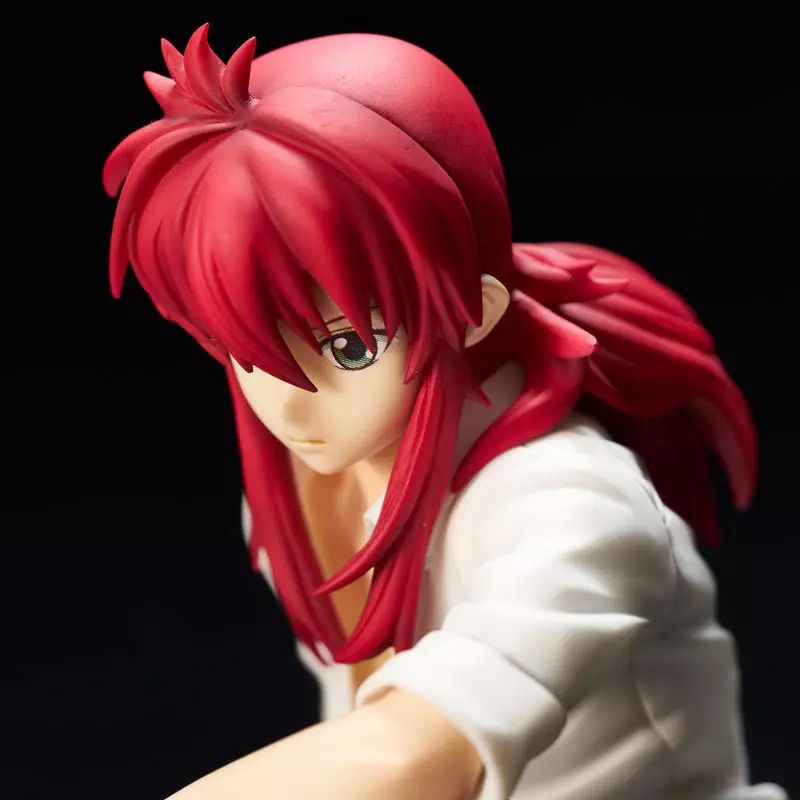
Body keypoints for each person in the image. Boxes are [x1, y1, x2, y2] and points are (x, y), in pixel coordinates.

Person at [103, 23, 787, 800]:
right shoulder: (301, 486)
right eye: (242, 345)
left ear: (473, 311)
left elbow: (413, 751)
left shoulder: (572, 507)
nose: (286, 401)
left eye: (348, 346)